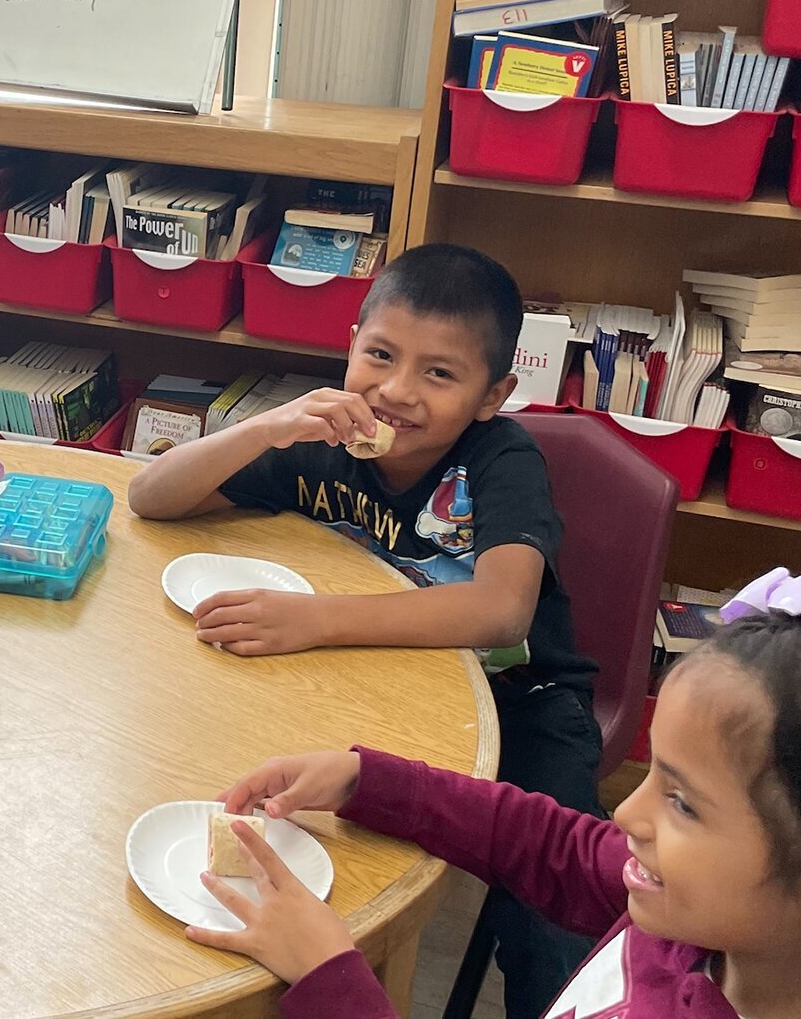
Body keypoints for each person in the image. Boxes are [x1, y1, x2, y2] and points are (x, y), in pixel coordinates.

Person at [127, 244, 601, 1013]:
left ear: (494, 393)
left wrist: (315, 619)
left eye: (439, 373)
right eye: (379, 355)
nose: (396, 392)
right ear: (350, 344)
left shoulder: (501, 457)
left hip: (523, 701)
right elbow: (152, 495)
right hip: (371, 682)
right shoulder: (322, 439)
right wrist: (268, 426)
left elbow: (502, 610)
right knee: (241, 788)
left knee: (555, 919)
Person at [188, 564, 801, 1019]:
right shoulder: (701, 917)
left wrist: (331, 976)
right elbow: (547, 842)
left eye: (683, 802)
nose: (629, 812)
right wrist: (369, 780)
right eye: (654, 777)